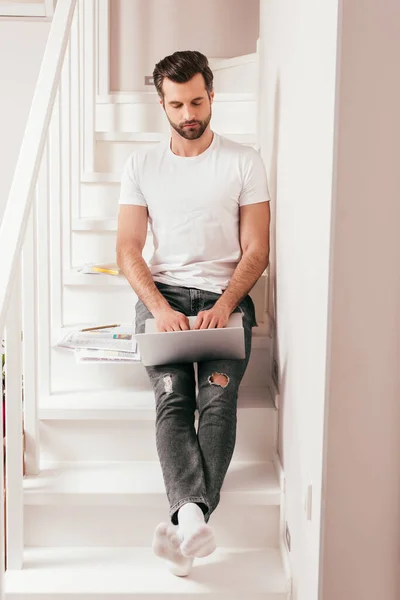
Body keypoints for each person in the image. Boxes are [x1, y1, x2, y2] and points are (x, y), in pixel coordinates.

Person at [116, 50, 270, 576]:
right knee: (172, 399)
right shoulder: (141, 165)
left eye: (197, 101)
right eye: (177, 104)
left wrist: (225, 305)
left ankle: (187, 520)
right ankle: (193, 520)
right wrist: (157, 308)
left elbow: (256, 251)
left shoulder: (244, 160)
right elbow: (129, 250)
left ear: (211, 94)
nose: (189, 114)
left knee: (219, 399)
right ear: (162, 104)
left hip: (224, 300)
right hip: (164, 300)